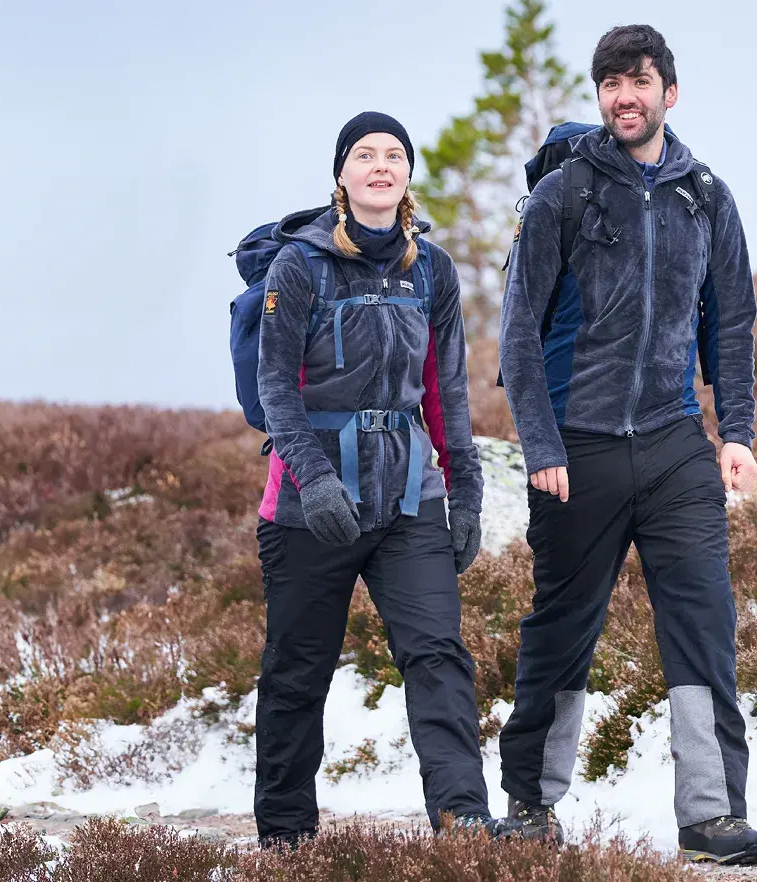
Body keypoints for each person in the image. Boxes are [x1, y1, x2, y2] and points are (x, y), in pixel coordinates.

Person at [497, 25, 757, 866]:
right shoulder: (565, 195)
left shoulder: (706, 197)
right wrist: (540, 443)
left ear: (669, 93)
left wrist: (737, 435)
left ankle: (713, 814)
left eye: (639, 81)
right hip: (575, 450)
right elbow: (515, 333)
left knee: (704, 623)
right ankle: (532, 805)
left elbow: (732, 322)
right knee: (563, 628)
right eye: (611, 83)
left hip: (672, 444)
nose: (625, 96)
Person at [253, 111, 499, 847]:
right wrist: (315, 481)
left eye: (395, 155)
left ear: (408, 176)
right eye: (366, 155)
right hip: (309, 508)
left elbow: (445, 392)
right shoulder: (297, 266)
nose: (381, 166)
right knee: (298, 672)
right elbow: (276, 388)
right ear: (342, 174)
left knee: (438, 655)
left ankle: (463, 818)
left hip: (408, 501)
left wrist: (466, 492)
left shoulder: (433, 271)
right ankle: (287, 837)